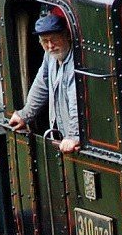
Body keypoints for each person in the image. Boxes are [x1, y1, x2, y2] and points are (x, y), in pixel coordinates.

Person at [8, 10, 79, 153]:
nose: (50, 46)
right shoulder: (50, 56)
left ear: (67, 36)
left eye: (54, 39)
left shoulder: (75, 62)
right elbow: (41, 84)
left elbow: (76, 101)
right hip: (60, 134)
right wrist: (24, 114)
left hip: (72, 138)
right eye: (45, 41)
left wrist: (73, 135)